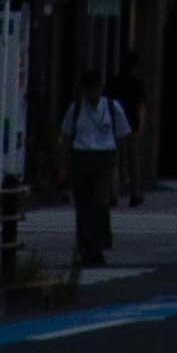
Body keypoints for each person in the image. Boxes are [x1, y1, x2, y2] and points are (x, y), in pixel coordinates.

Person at [66, 78, 134, 264]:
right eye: (89, 90)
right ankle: (85, 248)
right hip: (81, 156)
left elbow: (122, 135)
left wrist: (121, 162)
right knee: (83, 206)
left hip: (104, 157)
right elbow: (66, 134)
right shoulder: (77, 108)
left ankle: (99, 244)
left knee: (100, 202)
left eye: (95, 89)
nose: (93, 95)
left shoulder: (112, 107)